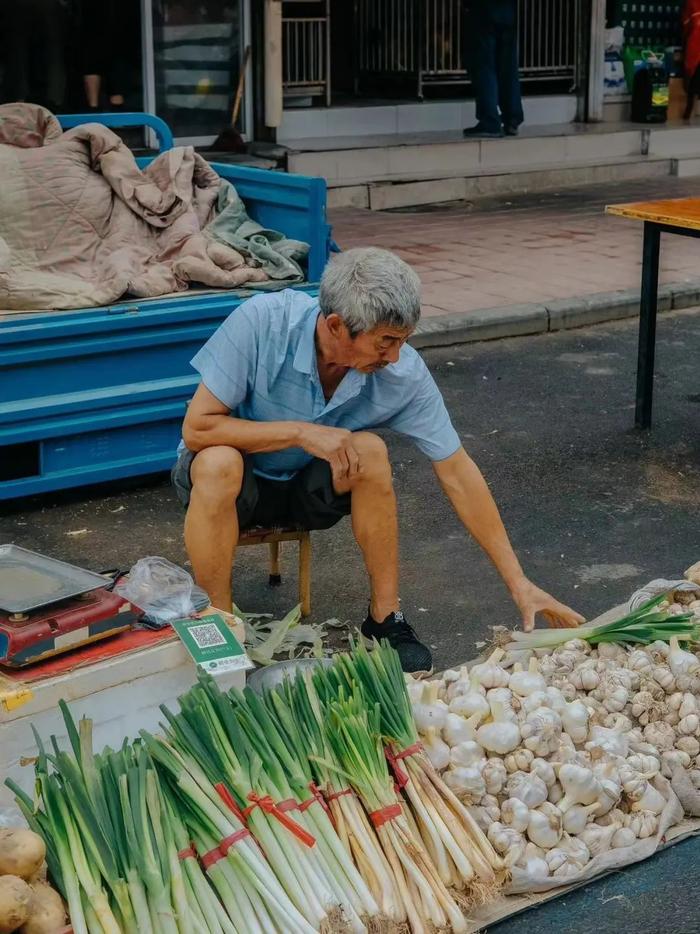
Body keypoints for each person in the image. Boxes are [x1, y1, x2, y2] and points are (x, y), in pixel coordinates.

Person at [172, 248, 583, 673]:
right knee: (219, 461)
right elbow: (197, 429)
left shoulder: (401, 373)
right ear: (335, 326)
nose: (394, 357)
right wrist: (299, 432)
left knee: (370, 451)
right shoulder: (262, 321)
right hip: (234, 485)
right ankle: (220, 623)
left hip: (305, 491)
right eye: (385, 342)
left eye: (403, 341)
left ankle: (385, 619)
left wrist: (520, 584)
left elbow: (458, 472)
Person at [463, 0, 524, 139]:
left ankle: (490, 121)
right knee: (508, 66)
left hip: (484, 9)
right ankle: (512, 118)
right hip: (508, 9)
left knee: (484, 65)